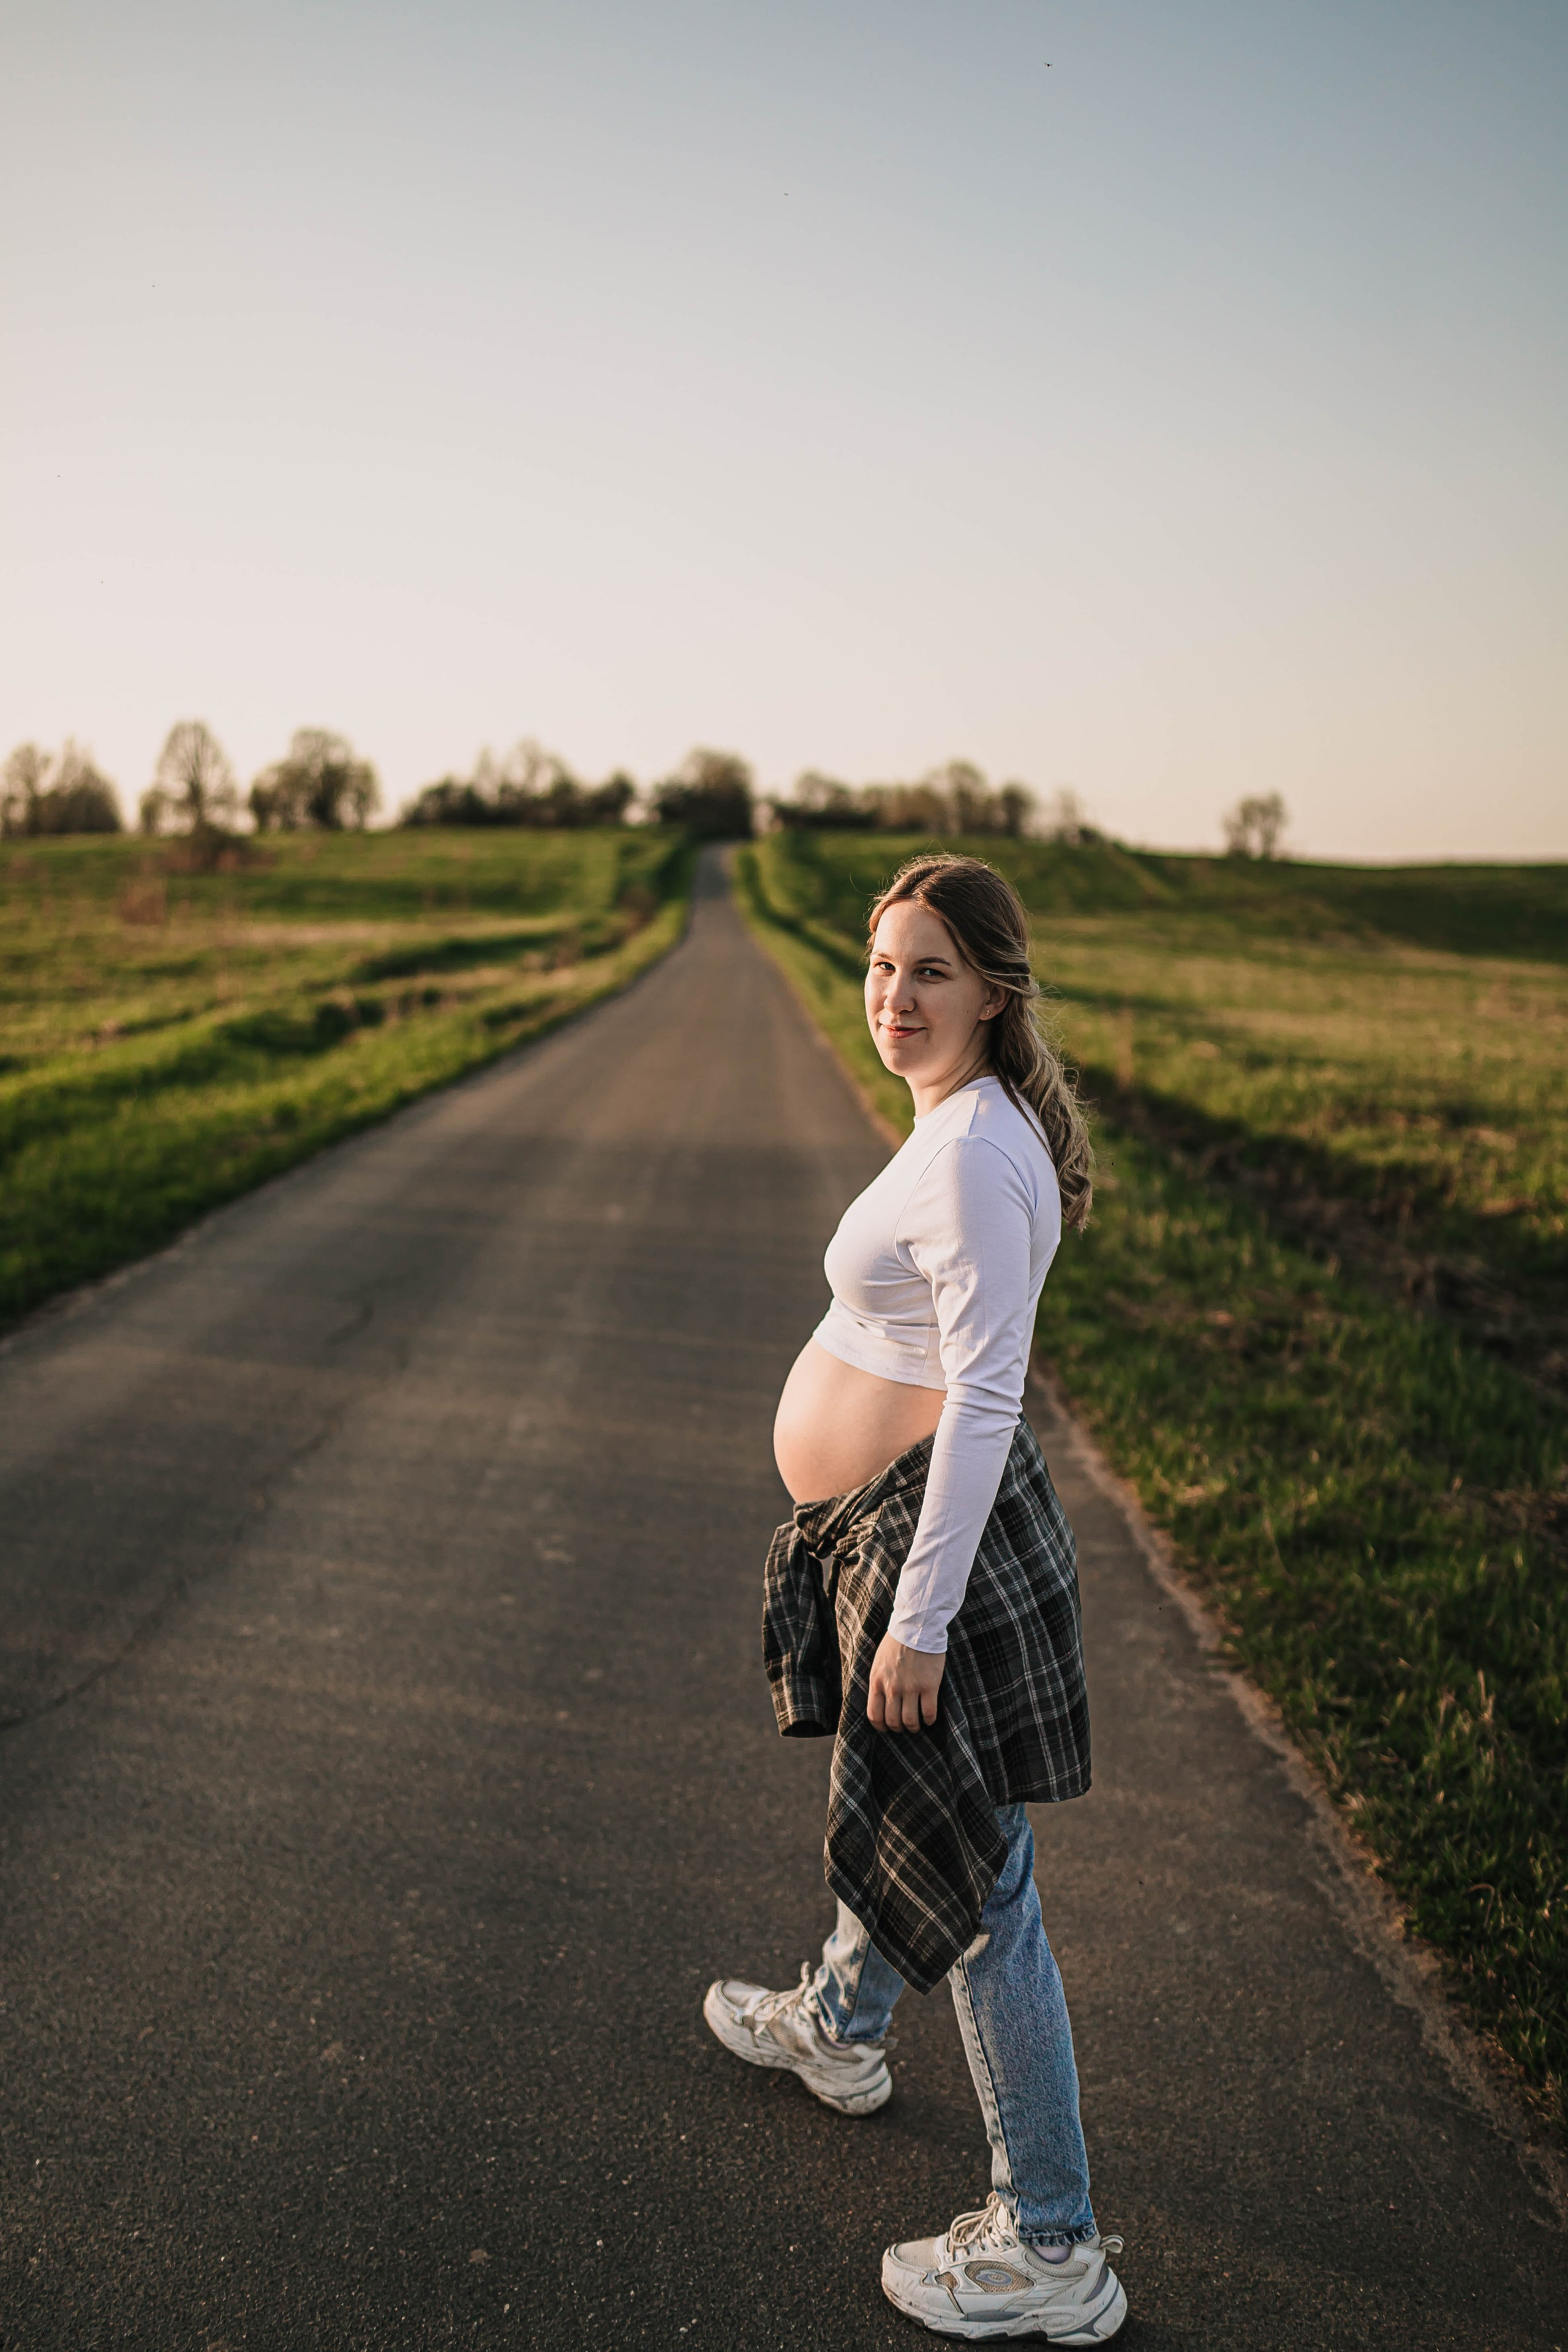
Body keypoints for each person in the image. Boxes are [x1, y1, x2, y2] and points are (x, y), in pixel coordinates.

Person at [704, 853, 1126, 2343]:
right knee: (907, 1807)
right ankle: (841, 2024)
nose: (894, 996)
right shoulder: (961, 1121)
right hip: (892, 1526)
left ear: (993, 990)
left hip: (922, 1541)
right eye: (881, 966)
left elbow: (990, 1394)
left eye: (929, 971)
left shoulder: (966, 1154)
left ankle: (1052, 2244)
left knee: (986, 1885)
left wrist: (919, 1620)